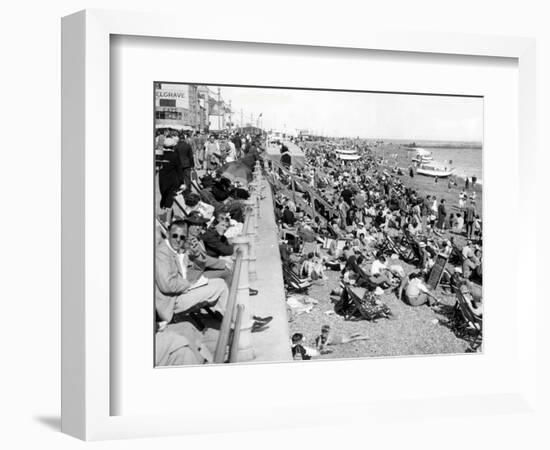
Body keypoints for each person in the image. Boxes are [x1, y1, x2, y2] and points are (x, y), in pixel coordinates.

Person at [155, 220, 228, 323]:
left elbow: (197, 270)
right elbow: (167, 285)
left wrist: (196, 255)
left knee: (220, 282)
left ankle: (224, 317)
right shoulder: (162, 253)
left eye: (182, 237)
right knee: (221, 287)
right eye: (175, 236)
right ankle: (231, 322)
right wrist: (188, 284)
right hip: (172, 301)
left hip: (182, 290)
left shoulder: (178, 249)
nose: (178, 240)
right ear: (167, 234)